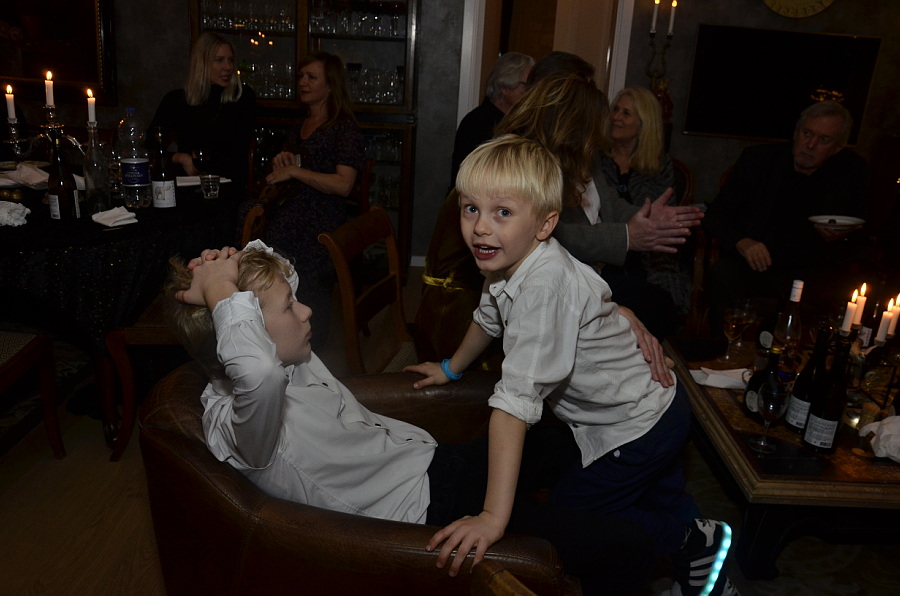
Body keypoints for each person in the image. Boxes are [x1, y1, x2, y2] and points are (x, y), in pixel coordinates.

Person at [168, 239, 659, 595]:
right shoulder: (242, 422)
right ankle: (669, 541)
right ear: (244, 333)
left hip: (432, 464)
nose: (306, 310)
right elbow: (256, 370)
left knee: (562, 440)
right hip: (432, 513)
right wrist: (223, 293)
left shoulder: (284, 354)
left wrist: (228, 267)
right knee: (629, 547)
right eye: (289, 307)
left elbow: (280, 281)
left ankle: (620, 495)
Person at [405, 135, 735, 596]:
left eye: (503, 212)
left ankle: (688, 541)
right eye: (471, 208)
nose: (480, 227)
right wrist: (451, 368)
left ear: (545, 224)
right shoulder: (509, 260)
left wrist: (492, 517)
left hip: (634, 426)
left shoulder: (541, 289)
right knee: (660, 497)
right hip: (660, 404)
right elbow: (488, 318)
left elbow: (513, 406)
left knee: (574, 518)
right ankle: (707, 568)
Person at [414, 74, 701, 363]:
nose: (602, 133)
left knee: (653, 302)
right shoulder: (521, 172)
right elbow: (559, 239)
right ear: (574, 127)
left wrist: (645, 218)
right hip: (468, 299)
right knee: (650, 304)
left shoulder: (582, 160)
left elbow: (605, 205)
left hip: (577, 277)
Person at [703, 100, 868, 332]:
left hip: (815, 271)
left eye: (823, 140)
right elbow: (715, 216)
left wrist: (843, 235)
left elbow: (865, 233)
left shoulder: (852, 171)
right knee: (722, 274)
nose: (810, 145)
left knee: (855, 290)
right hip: (757, 266)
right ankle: (724, 346)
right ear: (796, 132)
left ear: (838, 148)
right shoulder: (758, 160)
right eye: (807, 133)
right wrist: (742, 242)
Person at [262, 51, 365, 348]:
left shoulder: (344, 127)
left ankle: (308, 342)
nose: (302, 82)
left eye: (311, 77)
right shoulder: (303, 124)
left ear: (330, 85)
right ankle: (276, 332)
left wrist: (295, 171)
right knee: (255, 224)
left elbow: (344, 185)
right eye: (301, 76)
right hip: (295, 206)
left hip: (323, 214)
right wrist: (284, 160)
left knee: (284, 243)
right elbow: (294, 165)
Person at [598, 86, 691, 335]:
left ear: (643, 124)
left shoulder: (659, 166)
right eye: (615, 110)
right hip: (606, 254)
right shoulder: (595, 159)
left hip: (650, 258)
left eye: (626, 113)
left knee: (660, 300)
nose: (616, 117)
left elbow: (664, 218)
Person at [147, 32, 256, 190]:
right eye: (219, 60)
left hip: (227, 185)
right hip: (188, 184)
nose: (228, 67)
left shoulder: (242, 97)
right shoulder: (177, 100)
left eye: (231, 60)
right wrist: (180, 158)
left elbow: (239, 154)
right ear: (202, 63)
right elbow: (149, 149)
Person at [450, 51, 534, 183]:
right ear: (505, 87)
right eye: (526, 85)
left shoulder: (522, 120)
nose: (531, 91)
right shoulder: (476, 124)